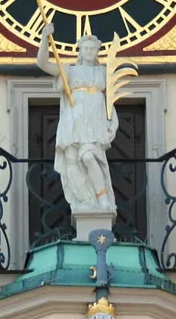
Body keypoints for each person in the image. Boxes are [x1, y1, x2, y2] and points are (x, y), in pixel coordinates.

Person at [37, 24, 117, 214]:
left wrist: (112, 122)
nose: (89, 51)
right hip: (74, 118)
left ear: (97, 52)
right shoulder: (69, 70)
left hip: (95, 119)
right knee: (72, 160)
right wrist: (44, 39)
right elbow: (43, 64)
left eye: (93, 49)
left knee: (89, 157)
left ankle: (102, 198)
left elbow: (110, 100)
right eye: (86, 48)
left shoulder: (102, 72)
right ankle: (83, 201)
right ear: (80, 52)